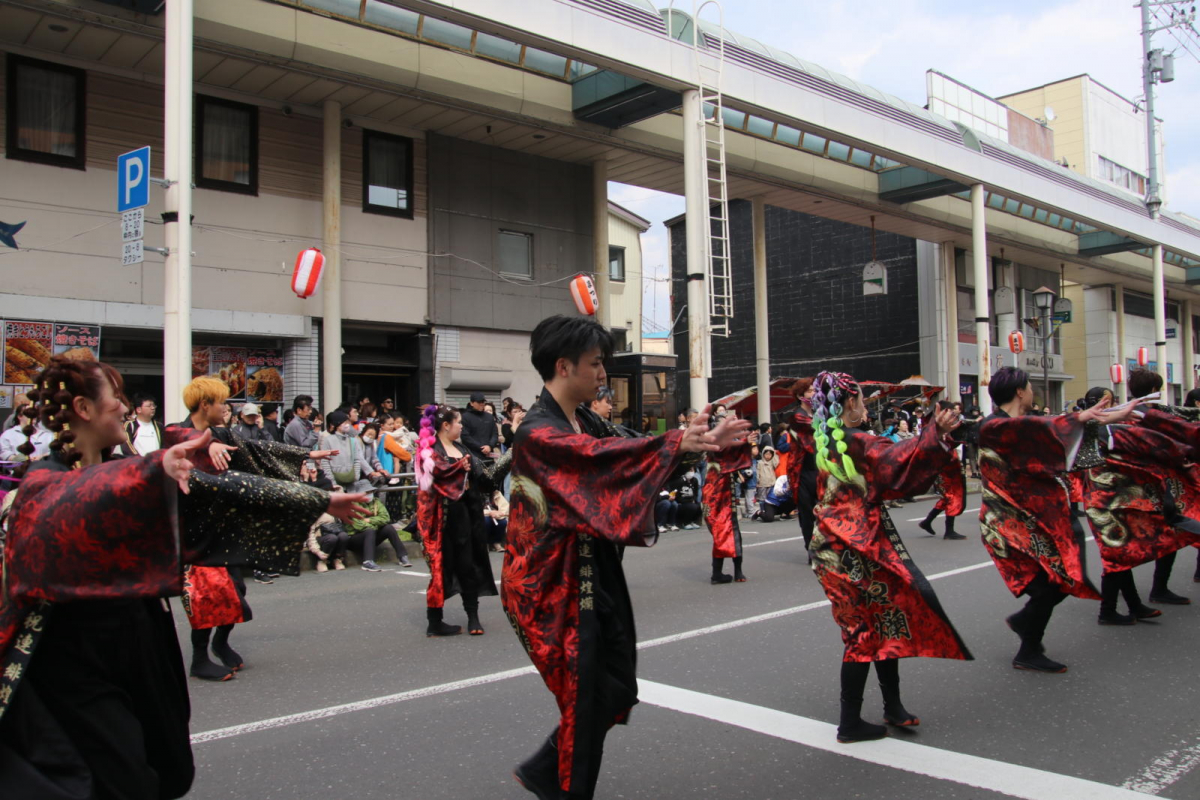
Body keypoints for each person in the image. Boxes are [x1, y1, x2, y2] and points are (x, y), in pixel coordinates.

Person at [0, 357, 367, 798]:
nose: (125, 406)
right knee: (116, 779)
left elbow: (229, 485)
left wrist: (320, 499)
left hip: (139, 638)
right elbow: (71, 502)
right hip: (74, 657)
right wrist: (151, 468)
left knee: (164, 765)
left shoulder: (135, 466)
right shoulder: (44, 481)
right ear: (82, 407)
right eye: (115, 397)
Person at [505, 315, 750, 800]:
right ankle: (567, 788)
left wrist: (693, 444)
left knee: (615, 687)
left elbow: (626, 446)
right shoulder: (538, 433)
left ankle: (543, 770)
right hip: (551, 586)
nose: (602, 374)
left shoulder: (586, 419)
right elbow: (602, 461)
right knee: (586, 696)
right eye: (596, 364)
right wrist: (676, 444)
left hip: (593, 573)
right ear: (563, 365)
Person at [808, 371, 972, 744]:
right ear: (850, 403)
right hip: (851, 548)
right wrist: (934, 434)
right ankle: (849, 721)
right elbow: (898, 461)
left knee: (884, 618)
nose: (864, 407)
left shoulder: (824, 442)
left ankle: (893, 706)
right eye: (862, 400)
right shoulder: (860, 441)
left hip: (837, 546)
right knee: (862, 632)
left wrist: (933, 435)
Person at [976, 367, 1137, 674]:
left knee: (1060, 581)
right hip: (1008, 525)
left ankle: (1027, 636)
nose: (1033, 391)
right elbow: (1041, 429)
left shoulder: (1015, 424)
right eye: (1029, 386)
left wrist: (1096, 421)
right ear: (1020, 391)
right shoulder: (993, 426)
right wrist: (1084, 417)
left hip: (1033, 522)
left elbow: (1055, 444)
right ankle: (1028, 641)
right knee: (1049, 585)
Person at [1075, 387, 1200, 624]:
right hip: (1105, 502)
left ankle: (1132, 606)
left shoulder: (1094, 430)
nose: (1112, 407)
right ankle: (1108, 611)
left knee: (1120, 555)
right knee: (1116, 556)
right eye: (1106, 403)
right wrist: (1180, 453)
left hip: (1112, 500)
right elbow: (1146, 443)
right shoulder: (1101, 431)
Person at [415, 404, 499, 636]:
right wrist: (458, 469)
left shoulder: (462, 448)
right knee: (441, 570)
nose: (462, 426)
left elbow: (481, 477)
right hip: (442, 522)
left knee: (468, 566)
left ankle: (473, 617)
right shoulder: (428, 451)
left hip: (466, 518)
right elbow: (440, 475)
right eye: (459, 422)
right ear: (445, 425)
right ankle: (435, 621)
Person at [1123, 368, 1191, 604]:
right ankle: (1151, 591)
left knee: (1125, 541)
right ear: (1153, 390)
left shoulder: (1124, 412)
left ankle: (1123, 601)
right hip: (1149, 485)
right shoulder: (1145, 415)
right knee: (1169, 530)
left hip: (1128, 487)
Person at [702, 411, 754, 583]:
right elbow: (730, 452)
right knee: (728, 534)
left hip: (716, 495)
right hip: (718, 498)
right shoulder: (716, 445)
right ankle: (725, 573)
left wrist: (746, 442)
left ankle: (726, 572)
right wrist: (746, 442)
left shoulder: (716, 445)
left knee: (724, 534)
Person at [918, 401, 968, 540]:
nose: (953, 416)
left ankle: (927, 521)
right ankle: (949, 530)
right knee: (952, 495)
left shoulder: (941, 427)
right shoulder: (933, 426)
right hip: (943, 466)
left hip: (947, 465)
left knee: (949, 496)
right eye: (951, 412)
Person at [787, 378, 819, 556]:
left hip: (820, 468)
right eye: (810, 391)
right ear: (800, 395)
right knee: (807, 514)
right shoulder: (797, 417)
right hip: (803, 471)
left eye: (815, 391)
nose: (814, 394)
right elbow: (816, 433)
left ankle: (825, 546)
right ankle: (811, 548)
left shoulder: (818, 414)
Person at [345, 492, 412, 570]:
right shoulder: (352, 505)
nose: (369, 494)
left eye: (370, 492)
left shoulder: (376, 502)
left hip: (371, 536)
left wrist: (369, 520)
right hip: (354, 538)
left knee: (388, 528)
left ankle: (402, 556)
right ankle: (368, 562)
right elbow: (359, 525)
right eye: (367, 492)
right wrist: (376, 524)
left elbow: (385, 518)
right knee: (369, 531)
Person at [460, 391, 499, 460]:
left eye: (483, 402)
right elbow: (465, 437)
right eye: (479, 402)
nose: (482, 404)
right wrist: (481, 447)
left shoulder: (489, 417)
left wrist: (490, 446)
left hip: (489, 454)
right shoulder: (465, 417)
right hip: (473, 455)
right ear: (472, 403)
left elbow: (495, 433)